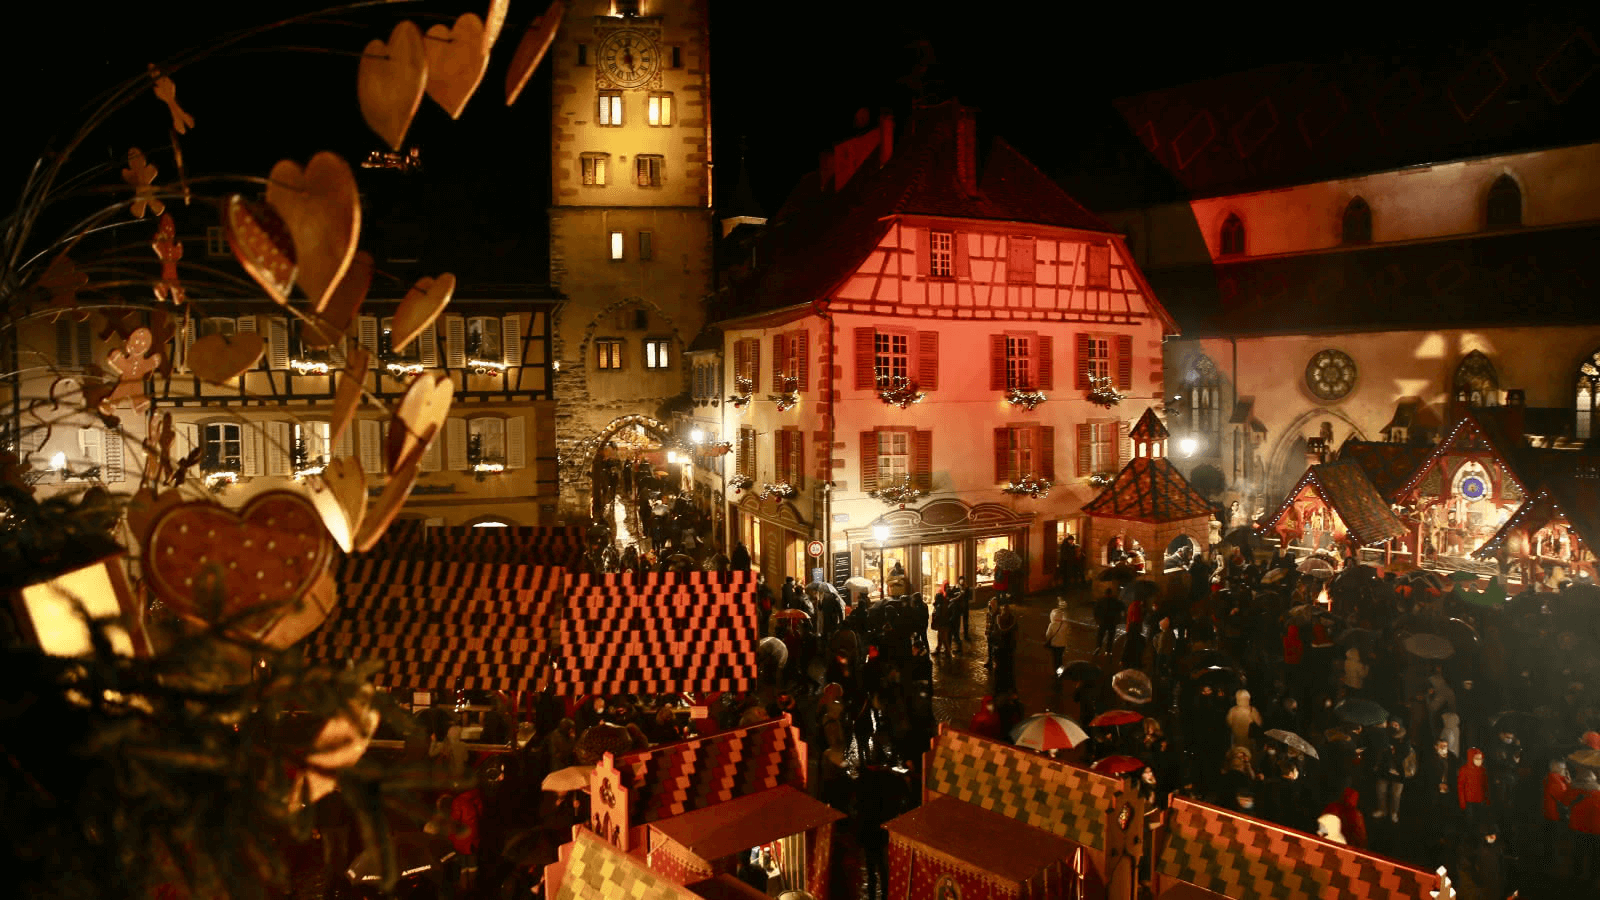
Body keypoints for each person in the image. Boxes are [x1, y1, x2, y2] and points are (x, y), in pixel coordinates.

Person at [1374, 719, 1416, 824]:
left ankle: (1394, 813)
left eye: (1396, 725)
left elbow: (1405, 754)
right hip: (1385, 769)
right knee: (1381, 790)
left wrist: (1394, 751)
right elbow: (1381, 752)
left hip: (1399, 771)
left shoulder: (1405, 739)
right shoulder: (1385, 736)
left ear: (1400, 726)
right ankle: (1382, 810)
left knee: (1396, 794)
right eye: (1392, 724)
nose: (1394, 727)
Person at [1458, 747, 1490, 823]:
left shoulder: (1483, 770)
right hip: (1469, 802)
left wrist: (1487, 799)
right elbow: (1460, 787)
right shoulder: (1464, 770)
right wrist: (1462, 802)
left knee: (1481, 822)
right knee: (1471, 823)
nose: (1479, 761)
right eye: (1477, 758)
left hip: (1481, 801)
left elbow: (1486, 786)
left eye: (1481, 758)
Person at [1045, 597, 1072, 675]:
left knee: (1055, 659)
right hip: (1062, 645)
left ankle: (1056, 672)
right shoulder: (1065, 624)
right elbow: (1067, 633)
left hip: (1054, 645)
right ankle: (1060, 671)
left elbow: (1048, 635)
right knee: (1060, 658)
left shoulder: (1052, 625)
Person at [1093, 588, 1120, 655]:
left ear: (1105, 593)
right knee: (1110, 637)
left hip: (1102, 622)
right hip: (1112, 622)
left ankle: (1098, 647)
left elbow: (1095, 611)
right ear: (1111, 593)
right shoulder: (1115, 601)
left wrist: (1097, 620)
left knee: (1100, 636)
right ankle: (1108, 651)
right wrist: (1117, 620)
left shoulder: (1100, 600)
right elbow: (1119, 611)